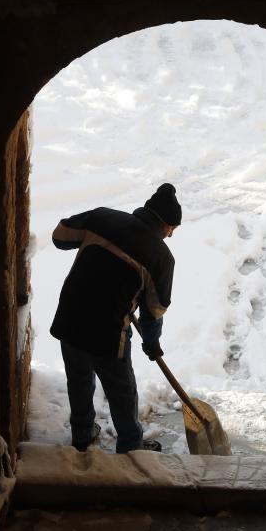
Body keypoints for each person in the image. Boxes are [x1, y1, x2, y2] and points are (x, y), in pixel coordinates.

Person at [49, 183, 181, 453]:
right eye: (172, 230)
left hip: (69, 318)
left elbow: (60, 236)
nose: (171, 236)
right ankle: (131, 448)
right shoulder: (161, 258)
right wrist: (151, 343)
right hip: (108, 333)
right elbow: (153, 312)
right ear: (166, 224)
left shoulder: (102, 217)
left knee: (79, 379)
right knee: (122, 392)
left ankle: (82, 436)